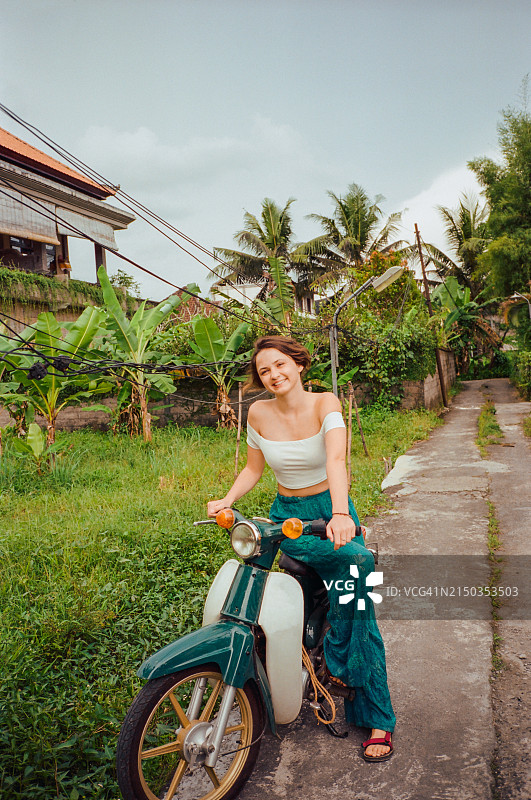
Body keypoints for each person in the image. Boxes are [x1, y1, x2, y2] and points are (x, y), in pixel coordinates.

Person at [207, 335, 395, 762]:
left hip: (329, 514)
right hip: (285, 518)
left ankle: (370, 707)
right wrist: (228, 500)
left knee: (358, 584)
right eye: (264, 371)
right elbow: (254, 467)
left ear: (298, 364)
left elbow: (336, 462)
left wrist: (342, 515)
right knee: (252, 595)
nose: (273, 375)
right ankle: (267, 679)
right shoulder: (257, 411)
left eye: (280, 365)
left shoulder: (325, 403)